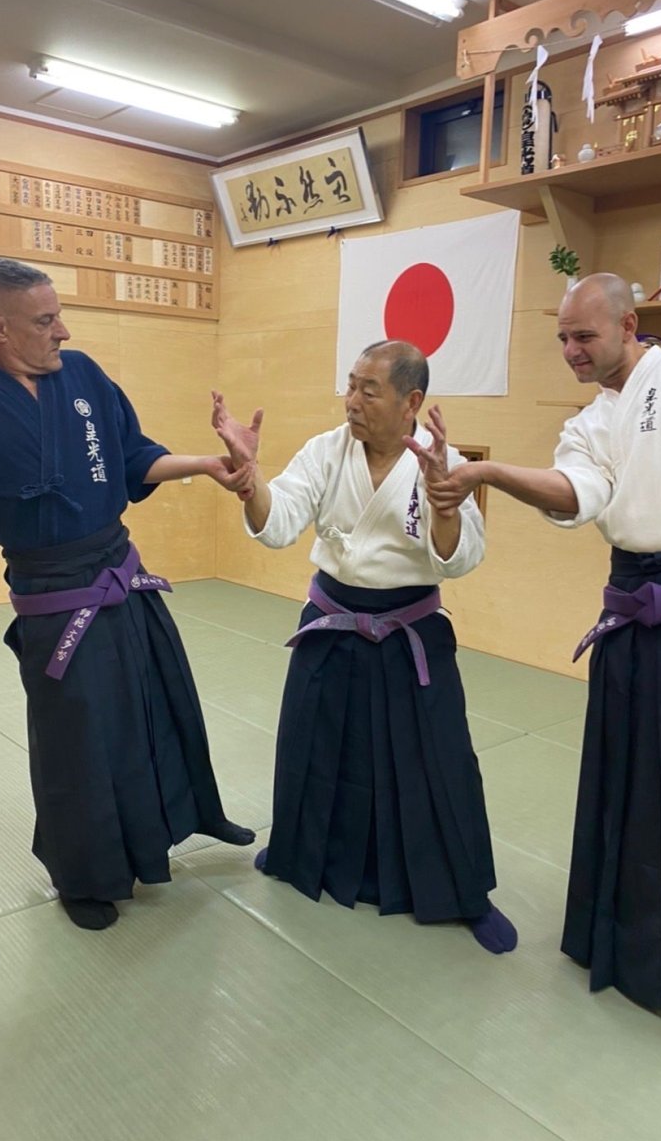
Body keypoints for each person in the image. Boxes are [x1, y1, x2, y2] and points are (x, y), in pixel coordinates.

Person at [417, 272, 661, 1037]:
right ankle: (640, 957)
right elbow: (578, 495)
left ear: (629, 322)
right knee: (637, 794)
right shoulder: (589, 425)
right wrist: (484, 473)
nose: (573, 351)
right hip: (635, 619)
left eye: (585, 335)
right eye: (563, 339)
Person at [0, 258, 255, 931]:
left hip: (121, 574)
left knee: (149, 710)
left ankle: (162, 832)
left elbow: (135, 457)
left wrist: (206, 464)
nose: (64, 332)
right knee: (75, 741)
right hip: (51, 594)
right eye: (46, 321)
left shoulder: (83, 378)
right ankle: (84, 876)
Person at [212, 340, 517, 954]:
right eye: (350, 386)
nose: (352, 401)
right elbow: (279, 521)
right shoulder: (327, 451)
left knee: (438, 762)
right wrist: (251, 484)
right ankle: (302, 851)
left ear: (412, 402)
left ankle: (462, 890)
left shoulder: (442, 463)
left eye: (367, 390)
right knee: (316, 747)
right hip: (332, 622)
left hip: (410, 631)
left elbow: (460, 561)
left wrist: (444, 507)